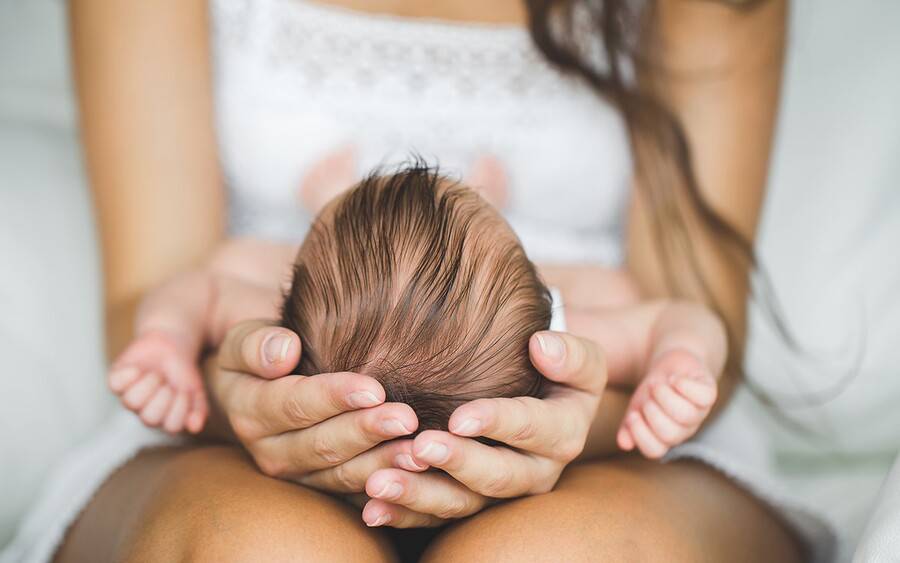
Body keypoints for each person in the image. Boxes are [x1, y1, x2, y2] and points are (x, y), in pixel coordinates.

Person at [7, 0, 812, 561]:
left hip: (590, 438)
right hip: (241, 431)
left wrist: (166, 345)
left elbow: (697, 316)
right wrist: (205, 387)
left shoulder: (260, 287)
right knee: (253, 549)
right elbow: (676, 326)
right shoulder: (574, 312)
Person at [111, 166, 724, 457]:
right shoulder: (555, 339)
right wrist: (679, 360)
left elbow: (201, 290)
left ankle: (325, 197)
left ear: (286, 298)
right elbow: (679, 316)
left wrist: (166, 339)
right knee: (617, 289)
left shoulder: (284, 337)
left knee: (234, 255)